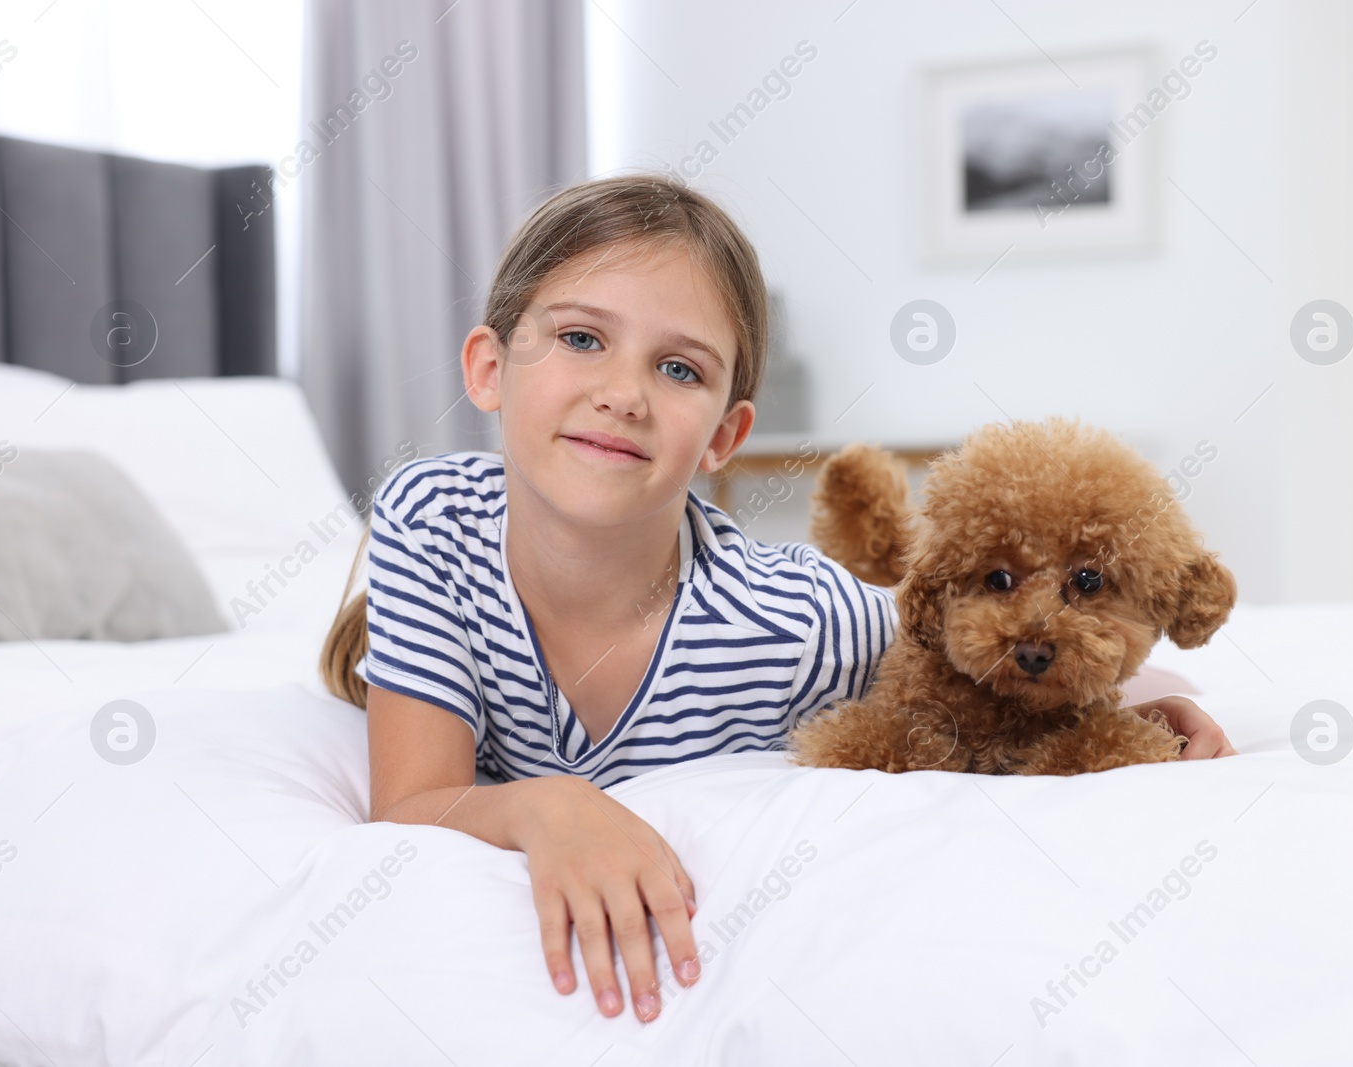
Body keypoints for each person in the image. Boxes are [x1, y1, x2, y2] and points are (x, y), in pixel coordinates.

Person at [318, 174, 1236, 1025]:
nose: (622, 393)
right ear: (487, 366)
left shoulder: (790, 621)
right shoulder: (430, 516)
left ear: (725, 434)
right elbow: (412, 799)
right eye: (581, 337)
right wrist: (545, 804)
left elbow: (964, 643)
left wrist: (1146, 692)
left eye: (679, 368)